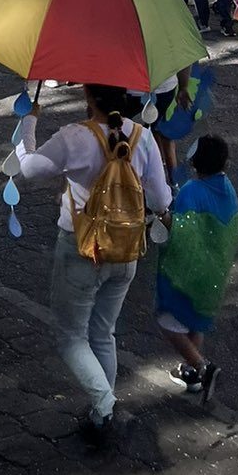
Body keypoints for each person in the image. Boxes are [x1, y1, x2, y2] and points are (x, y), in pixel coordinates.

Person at [13, 84, 173, 449]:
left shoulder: (75, 137)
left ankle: (105, 404)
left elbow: (31, 169)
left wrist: (29, 125)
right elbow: (162, 198)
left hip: (82, 249)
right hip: (127, 251)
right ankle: (102, 415)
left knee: (71, 337)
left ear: (88, 97)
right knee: (103, 332)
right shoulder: (143, 137)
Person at [157, 135, 238, 403]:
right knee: (195, 320)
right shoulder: (226, 188)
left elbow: (182, 233)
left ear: (195, 163)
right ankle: (191, 372)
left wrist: (162, 218)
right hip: (215, 270)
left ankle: (203, 366)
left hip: (189, 272)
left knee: (169, 322)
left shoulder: (192, 191)